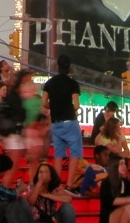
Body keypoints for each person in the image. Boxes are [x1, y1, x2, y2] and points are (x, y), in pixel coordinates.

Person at [41, 54, 83, 192]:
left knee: (58, 154)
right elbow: (76, 105)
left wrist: (53, 107)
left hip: (55, 122)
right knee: (75, 153)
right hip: (70, 121)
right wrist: (68, 108)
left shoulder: (50, 83)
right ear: (69, 67)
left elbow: (43, 102)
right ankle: (69, 184)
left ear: (57, 66)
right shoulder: (73, 83)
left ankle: (57, 185)